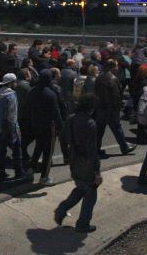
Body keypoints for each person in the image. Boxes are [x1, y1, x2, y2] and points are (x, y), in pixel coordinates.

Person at [53, 93, 101, 233]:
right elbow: (92, 151)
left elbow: (62, 137)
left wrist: (69, 153)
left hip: (74, 160)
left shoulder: (71, 119)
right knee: (90, 193)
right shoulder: (90, 123)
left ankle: (62, 209)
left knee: (81, 188)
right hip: (86, 162)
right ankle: (82, 224)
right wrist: (97, 172)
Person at [94, 59, 137, 157]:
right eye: (116, 66)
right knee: (117, 129)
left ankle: (96, 149)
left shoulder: (99, 77)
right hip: (111, 109)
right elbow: (116, 96)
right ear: (112, 67)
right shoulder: (113, 79)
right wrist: (118, 108)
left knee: (99, 130)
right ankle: (124, 147)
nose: (117, 68)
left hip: (100, 108)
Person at [0, 73, 31, 181]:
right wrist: (15, 128)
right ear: (11, 83)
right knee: (16, 150)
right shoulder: (11, 95)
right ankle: (18, 172)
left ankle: (1, 173)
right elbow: (12, 114)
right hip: (10, 127)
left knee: (1, 151)